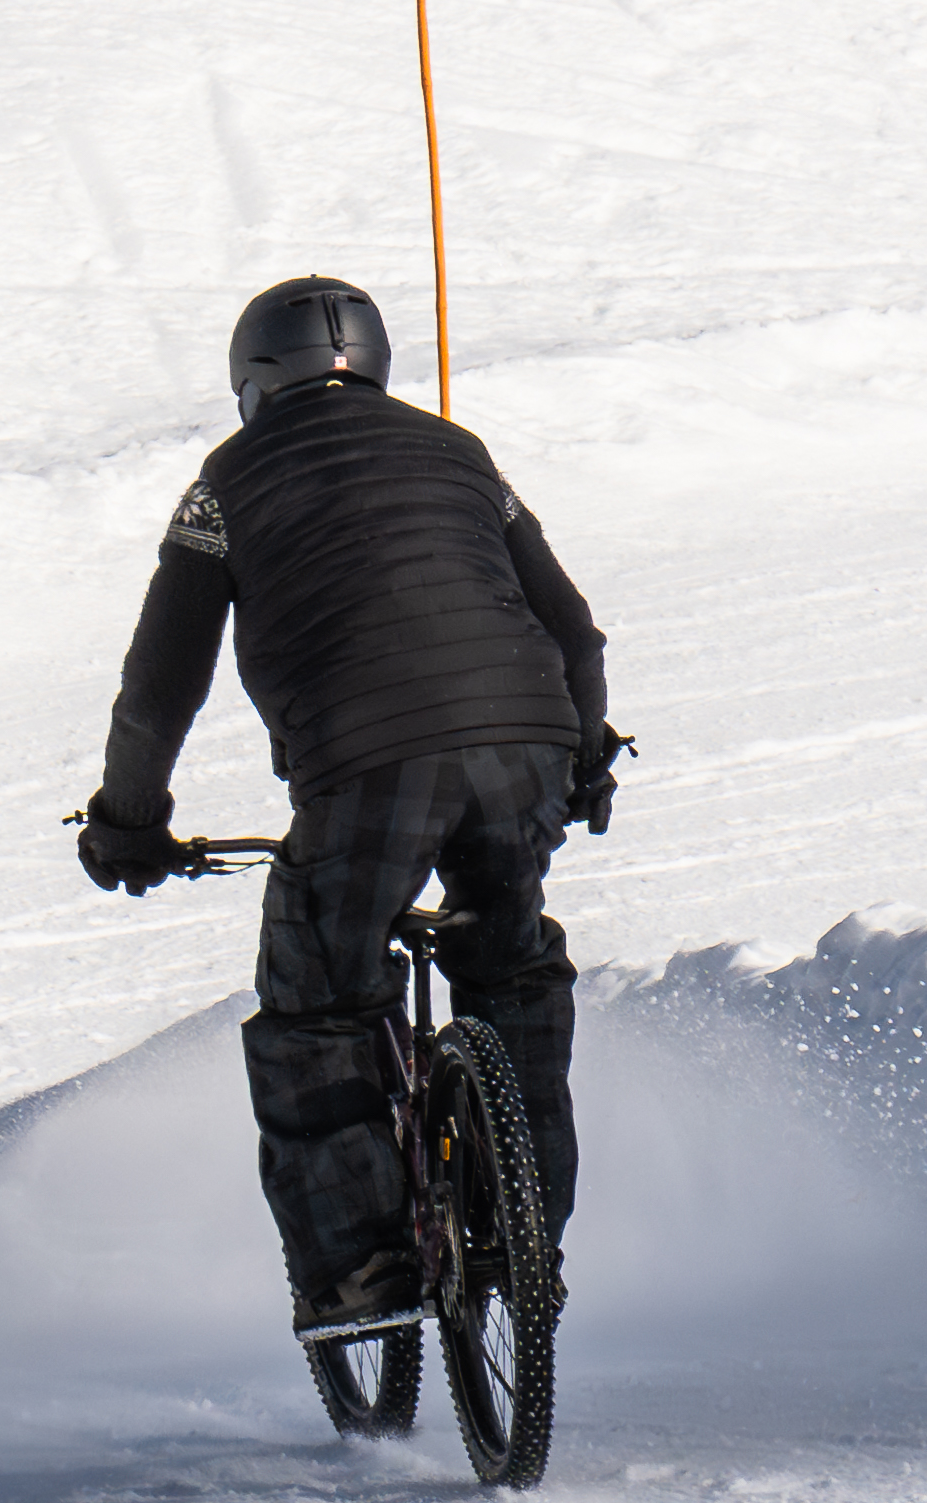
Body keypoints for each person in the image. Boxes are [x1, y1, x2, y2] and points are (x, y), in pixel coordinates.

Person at [75, 280, 624, 1334]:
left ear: (252, 383)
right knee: (511, 973)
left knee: (317, 1006)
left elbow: (159, 687)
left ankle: (362, 1275)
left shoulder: (223, 486)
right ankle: (527, 1241)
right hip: (528, 749)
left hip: (370, 771)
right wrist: (587, 757)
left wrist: (128, 821)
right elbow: (576, 633)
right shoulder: (460, 454)